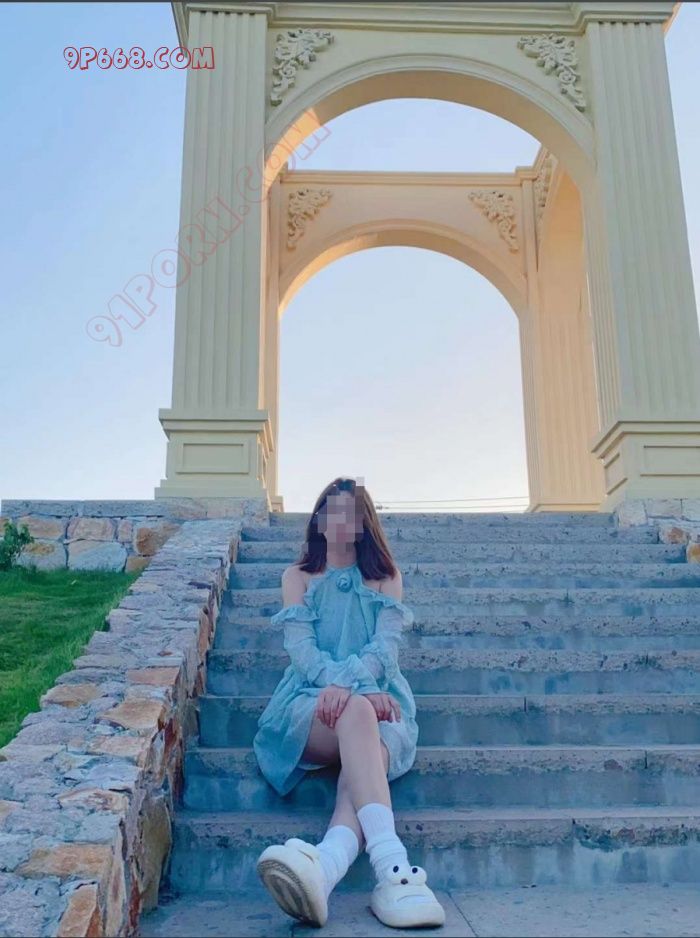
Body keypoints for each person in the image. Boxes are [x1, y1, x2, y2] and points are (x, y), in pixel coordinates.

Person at [253, 476, 445, 929]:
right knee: (359, 716)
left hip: (381, 702)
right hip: (308, 702)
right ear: (318, 521)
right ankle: (395, 870)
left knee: (360, 764)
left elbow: (385, 650)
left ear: (363, 524)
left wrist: (354, 687)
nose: (341, 521)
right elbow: (301, 652)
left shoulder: (386, 578)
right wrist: (345, 686)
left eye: (351, 513)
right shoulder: (297, 577)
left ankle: (324, 868)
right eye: (332, 511)